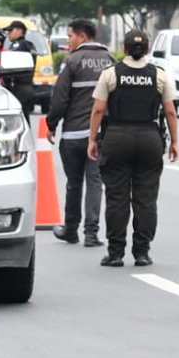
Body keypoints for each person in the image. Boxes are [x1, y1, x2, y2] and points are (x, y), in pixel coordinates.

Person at [88, 29, 179, 268]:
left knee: (117, 197)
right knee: (146, 198)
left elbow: (98, 109)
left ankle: (115, 253)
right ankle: (142, 252)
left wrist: (91, 139)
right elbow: (170, 111)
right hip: (149, 138)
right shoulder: (158, 75)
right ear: (148, 49)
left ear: (125, 49)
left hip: (117, 138)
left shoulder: (110, 74)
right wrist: (175, 142)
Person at [45, 18, 115, 247]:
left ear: (82, 36)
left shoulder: (72, 61)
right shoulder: (110, 61)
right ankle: (92, 233)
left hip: (73, 136)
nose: (69, 41)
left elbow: (60, 98)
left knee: (74, 183)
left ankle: (71, 230)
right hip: (100, 136)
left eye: (70, 36)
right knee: (95, 182)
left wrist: (52, 123)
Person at [4, 20, 37, 121]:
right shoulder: (28, 45)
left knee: (18, 119)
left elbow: (9, 61)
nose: (8, 33)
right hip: (27, 86)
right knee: (24, 117)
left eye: (10, 30)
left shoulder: (19, 45)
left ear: (19, 31)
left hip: (20, 87)